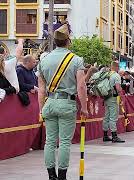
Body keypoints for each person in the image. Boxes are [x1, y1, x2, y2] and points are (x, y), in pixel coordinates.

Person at [37, 24, 88, 180]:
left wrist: (41, 110)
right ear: (68, 41)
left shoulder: (43, 60)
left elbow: (41, 90)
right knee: (64, 142)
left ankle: (51, 175)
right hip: (66, 103)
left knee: (50, 141)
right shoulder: (76, 60)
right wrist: (84, 108)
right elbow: (81, 85)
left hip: (49, 103)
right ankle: (62, 176)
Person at [102, 61, 125, 143]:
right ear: (116, 67)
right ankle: (114, 136)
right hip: (113, 98)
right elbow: (118, 89)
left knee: (106, 116)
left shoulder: (106, 74)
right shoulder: (116, 76)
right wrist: (122, 99)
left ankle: (105, 135)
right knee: (113, 117)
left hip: (106, 97)